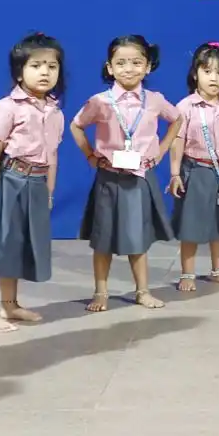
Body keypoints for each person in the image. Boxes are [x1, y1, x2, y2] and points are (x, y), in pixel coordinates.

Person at [70, 35, 180, 310]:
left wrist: (162, 149)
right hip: (108, 177)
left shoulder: (154, 100)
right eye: (120, 63)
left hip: (139, 178)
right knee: (103, 239)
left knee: (138, 237)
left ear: (147, 67)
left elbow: (178, 119)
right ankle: (101, 293)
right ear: (109, 67)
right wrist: (90, 156)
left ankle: (143, 291)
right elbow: (76, 125)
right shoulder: (100, 101)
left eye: (135, 62)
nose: (128, 69)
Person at [0, 32, 65, 333]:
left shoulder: (55, 111)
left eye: (52, 67)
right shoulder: (7, 107)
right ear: (19, 71)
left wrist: (50, 190)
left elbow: (52, 154)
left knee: (16, 245)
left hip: (37, 183)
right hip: (9, 180)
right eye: (36, 65)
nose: (45, 72)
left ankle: (11, 304)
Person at [168, 41, 219, 291]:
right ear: (195, 74)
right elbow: (177, 141)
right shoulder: (186, 107)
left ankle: (218, 270)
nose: (214, 78)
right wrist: (174, 173)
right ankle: (188, 273)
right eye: (207, 71)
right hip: (196, 170)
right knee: (191, 225)